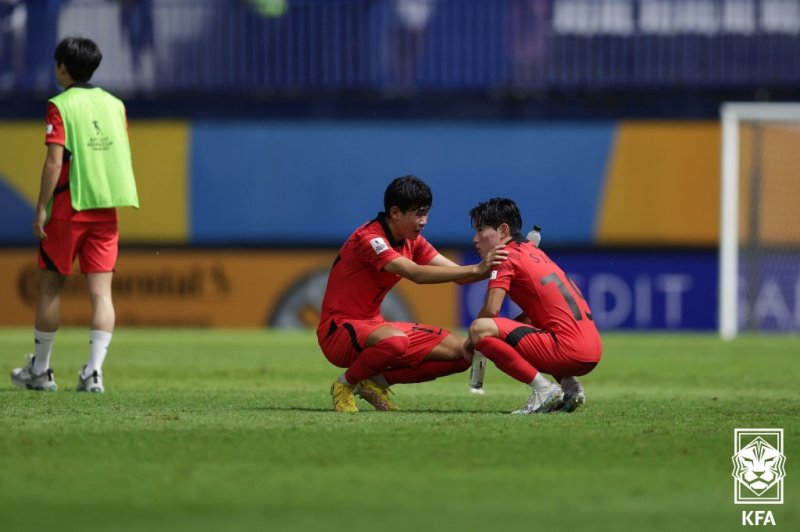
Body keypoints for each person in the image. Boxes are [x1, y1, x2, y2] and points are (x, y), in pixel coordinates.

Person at [10, 36, 139, 393]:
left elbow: (55, 162)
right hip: (106, 208)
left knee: (50, 290)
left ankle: (41, 370)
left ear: (62, 67)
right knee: (102, 295)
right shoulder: (115, 105)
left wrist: (41, 208)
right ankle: (94, 372)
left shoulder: (60, 105)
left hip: (69, 207)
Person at [317, 175, 505, 412]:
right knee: (396, 341)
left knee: (462, 352)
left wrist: (502, 263)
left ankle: (374, 382)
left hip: (373, 327)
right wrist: (479, 268)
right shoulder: (370, 239)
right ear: (395, 212)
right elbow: (416, 274)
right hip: (338, 331)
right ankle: (345, 384)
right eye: (419, 214)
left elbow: (460, 275)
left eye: (426, 213)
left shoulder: (412, 241)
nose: (424, 221)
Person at [464, 198, 602, 414]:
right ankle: (571, 388)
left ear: (503, 230)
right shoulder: (532, 251)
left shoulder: (505, 256)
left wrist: (470, 341)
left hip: (567, 350)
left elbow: (491, 311)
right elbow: (530, 319)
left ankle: (544, 390)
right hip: (592, 349)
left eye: (480, 230)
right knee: (509, 329)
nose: (475, 239)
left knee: (478, 329)